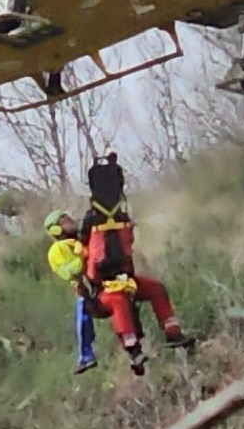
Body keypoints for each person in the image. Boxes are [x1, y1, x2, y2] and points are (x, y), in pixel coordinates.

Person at [79, 152, 196, 373]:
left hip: (126, 280)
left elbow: (128, 244)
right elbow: (88, 266)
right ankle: (133, 349)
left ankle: (173, 333)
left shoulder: (121, 221)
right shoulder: (88, 227)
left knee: (156, 289)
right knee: (119, 300)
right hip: (102, 291)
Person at [45, 210, 100, 374]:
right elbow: (66, 272)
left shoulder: (82, 238)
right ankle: (85, 356)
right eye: (65, 220)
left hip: (100, 279)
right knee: (83, 319)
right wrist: (81, 257)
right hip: (84, 287)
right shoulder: (57, 250)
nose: (71, 221)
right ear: (56, 229)